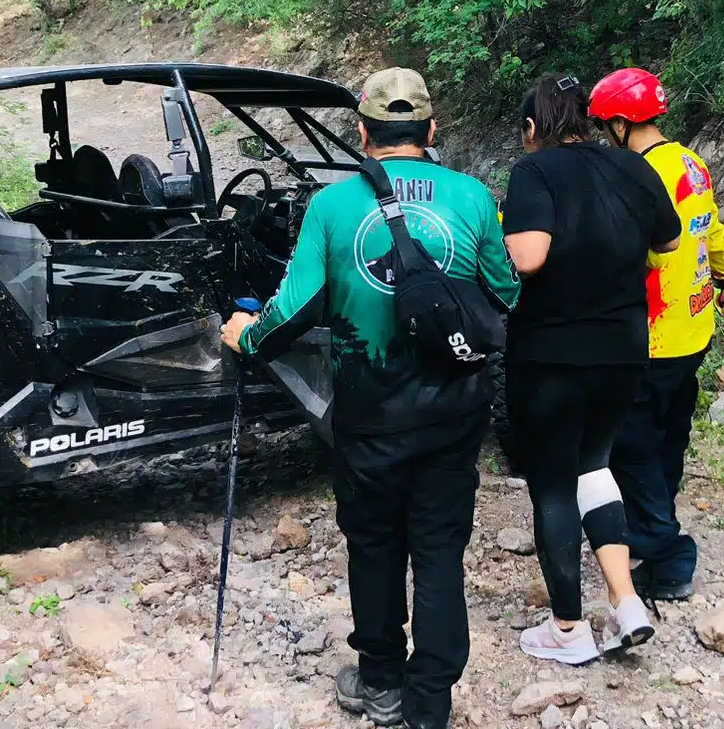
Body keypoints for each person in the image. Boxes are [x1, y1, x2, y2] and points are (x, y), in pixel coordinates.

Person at [221, 67, 519, 729]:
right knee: (440, 552)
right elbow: (507, 294)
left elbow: (293, 308)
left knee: (376, 545)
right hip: (453, 410)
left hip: (368, 412)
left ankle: (380, 679)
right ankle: (429, 703)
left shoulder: (332, 206)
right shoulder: (471, 197)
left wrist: (246, 339)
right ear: (431, 129)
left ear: (362, 132)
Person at [500, 74, 682, 664]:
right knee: (594, 467)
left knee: (552, 486)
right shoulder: (633, 165)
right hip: (625, 348)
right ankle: (626, 602)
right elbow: (670, 242)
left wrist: (485, 247)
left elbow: (528, 256)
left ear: (533, 129)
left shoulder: (535, 171)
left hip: (553, 355)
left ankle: (569, 631)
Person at [590, 67, 724, 602]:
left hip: (653, 332)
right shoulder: (691, 163)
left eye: (601, 126)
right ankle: (656, 535)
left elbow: (651, 250)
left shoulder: (638, 175)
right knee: (667, 435)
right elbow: (713, 231)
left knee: (628, 446)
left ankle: (667, 552)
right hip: (695, 324)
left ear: (617, 123)